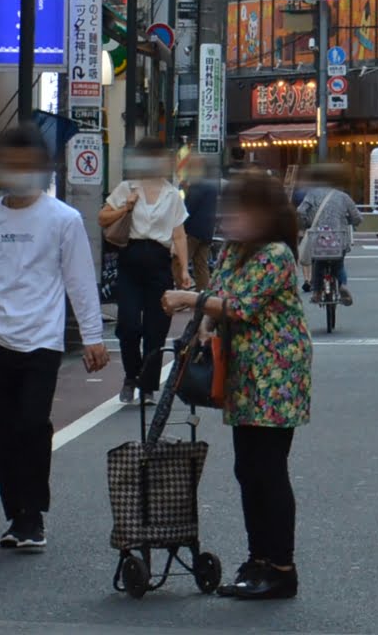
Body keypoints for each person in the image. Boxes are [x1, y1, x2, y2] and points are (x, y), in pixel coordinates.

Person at [162, 171, 312, 600]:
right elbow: (222, 296)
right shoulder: (234, 251)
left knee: (267, 469)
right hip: (245, 373)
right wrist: (206, 322)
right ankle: (258, 559)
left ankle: (281, 566)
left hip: (277, 375)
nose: (229, 217)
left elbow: (241, 306)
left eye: (239, 209)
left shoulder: (275, 254)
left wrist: (189, 299)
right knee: (248, 469)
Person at [0, 126, 109, 550]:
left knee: (31, 424)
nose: (20, 172)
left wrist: (93, 335)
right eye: (13, 165)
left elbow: (79, 279)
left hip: (43, 338)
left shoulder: (63, 218)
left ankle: (33, 513)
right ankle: (16, 514)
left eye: (28, 165)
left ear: (44, 170)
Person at [101, 141, 194, 403]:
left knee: (157, 328)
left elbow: (179, 235)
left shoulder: (172, 195)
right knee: (128, 325)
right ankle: (132, 376)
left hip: (159, 263)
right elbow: (103, 218)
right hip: (130, 260)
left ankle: (148, 385)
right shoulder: (127, 188)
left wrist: (184, 270)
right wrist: (126, 207)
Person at [297, 165, 361, 306]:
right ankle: (342, 285)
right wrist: (349, 221)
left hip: (318, 238)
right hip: (338, 239)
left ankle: (317, 292)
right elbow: (357, 217)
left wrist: (307, 222)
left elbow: (301, 211)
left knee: (318, 263)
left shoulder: (312, 194)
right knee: (339, 264)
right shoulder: (343, 196)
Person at [182, 154, 221, 293]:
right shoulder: (211, 185)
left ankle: (181, 293)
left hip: (192, 231)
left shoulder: (197, 185)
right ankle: (203, 294)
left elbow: (188, 209)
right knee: (201, 264)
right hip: (207, 231)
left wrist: (180, 227)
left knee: (179, 262)